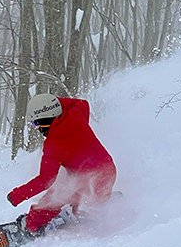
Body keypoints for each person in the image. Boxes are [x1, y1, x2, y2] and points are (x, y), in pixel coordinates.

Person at [7, 93, 116, 236]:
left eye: (35, 123)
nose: (36, 128)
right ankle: (94, 204)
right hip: (109, 172)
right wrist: (53, 103)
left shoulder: (53, 145)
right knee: (72, 183)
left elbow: (45, 181)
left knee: (56, 195)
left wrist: (17, 195)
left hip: (88, 181)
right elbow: (81, 102)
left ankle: (32, 227)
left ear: (43, 121)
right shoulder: (78, 115)